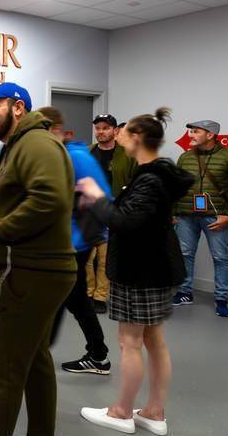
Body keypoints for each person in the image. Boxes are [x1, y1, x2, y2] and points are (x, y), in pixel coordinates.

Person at [78, 108, 194, 436]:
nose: (117, 135)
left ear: (137, 137)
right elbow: (135, 214)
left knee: (129, 342)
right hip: (154, 268)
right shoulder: (156, 175)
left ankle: (121, 412)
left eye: (123, 131)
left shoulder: (150, 179)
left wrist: (97, 197)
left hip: (140, 271)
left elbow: (123, 221)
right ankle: (154, 412)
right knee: (153, 340)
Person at [0, 83, 77, 436]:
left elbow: (49, 199)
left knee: (1, 362)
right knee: (34, 359)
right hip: (36, 269)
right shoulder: (18, 146)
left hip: (30, 270)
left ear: (18, 108)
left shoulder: (35, 143)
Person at [37, 107, 111, 376]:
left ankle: (39, 352)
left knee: (56, 298)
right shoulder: (57, 155)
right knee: (76, 299)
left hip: (74, 244)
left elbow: (103, 197)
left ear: (54, 130)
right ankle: (98, 355)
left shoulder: (77, 157)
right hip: (62, 241)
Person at [172, 120, 228, 317]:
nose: (191, 135)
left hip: (216, 217)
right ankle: (184, 292)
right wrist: (172, 212)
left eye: (195, 131)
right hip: (186, 216)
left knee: (220, 258)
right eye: (191, 131)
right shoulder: (185, 157)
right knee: (184, 254)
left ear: (210, 135)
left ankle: (221, 298)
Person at [89, 114, 138, 314]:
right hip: (88, 212)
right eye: (98, 128)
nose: (101, 132)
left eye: (105, 128)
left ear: (115, 131)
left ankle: (100, 296)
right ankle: (87, 292)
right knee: (85, 258)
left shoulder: (127, 155)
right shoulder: (88, 152)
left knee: (105, 258)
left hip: (112, 212)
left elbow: (135, 183)